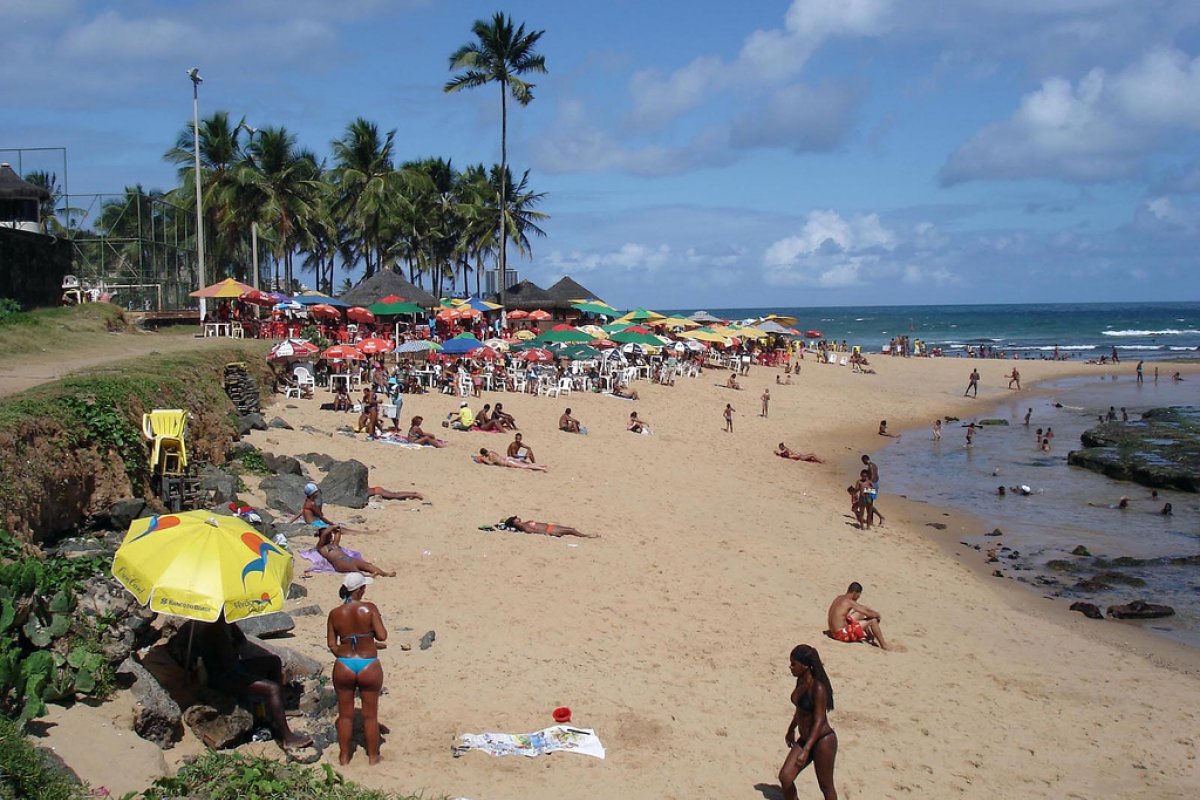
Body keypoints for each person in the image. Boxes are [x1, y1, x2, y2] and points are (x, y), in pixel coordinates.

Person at [198, 614, 313, 750]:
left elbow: (241, 641)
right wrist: (231, 646)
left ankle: (279, 708)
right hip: (223, 676)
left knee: (274, 661)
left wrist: (233, 641)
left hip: (234, 667)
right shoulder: (212, 630)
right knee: (272, 688)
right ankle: (287, 737)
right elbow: (225, 661)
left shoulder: (226, 624)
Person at [327, 573, 388, 765]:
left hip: (344, 664)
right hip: (368, 663)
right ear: (360, 590)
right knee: (370, 717)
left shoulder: (335, 613)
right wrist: (366, 641)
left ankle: (344, 757)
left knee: (345, 716)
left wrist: (346, 652)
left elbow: (332, 644)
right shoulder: (369, 609)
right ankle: (373, 757)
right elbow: (382, 635)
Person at [779, 644, 838, 800]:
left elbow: (819, 721)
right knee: (785, 777)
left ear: (805, 666)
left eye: (794, 664)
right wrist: (791, 729)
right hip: (805, 739)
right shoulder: (800, 681)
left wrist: (806, 750)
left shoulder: (818, 688)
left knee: (826, 785)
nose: (790, 667)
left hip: (822, 741)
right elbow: (800, 710)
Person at [316, 522, 395, 577]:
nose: (330, 536)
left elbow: (337, 535)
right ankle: (367, 576)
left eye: (330, 535)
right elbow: (324, 534)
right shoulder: (321, 547)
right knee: (354, 570)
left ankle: (384, 574)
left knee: (368, 565)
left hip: (348, 559)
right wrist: (331, 527)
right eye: (328, 536)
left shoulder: (334, 545)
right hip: (339, 561)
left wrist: (337, 530)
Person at [826, 582, 890, 649]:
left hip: (833, 631)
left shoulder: (839, 598)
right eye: (858, 595)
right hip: (841, 634)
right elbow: (868, 614)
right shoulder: (849, 602)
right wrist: (877, 615)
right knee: (873, 621)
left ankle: (870, 637)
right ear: (855, 593)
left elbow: (862, 609)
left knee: (860, 614)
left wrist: (872, 612)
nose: (858, 597)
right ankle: (884, 645)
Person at [502, 516, 599, 538]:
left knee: (570, 529)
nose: (518, 517)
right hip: (550, 530)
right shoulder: (524, 527)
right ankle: (585, 536)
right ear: (514, 522)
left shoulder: (524, 524)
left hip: (550, 527)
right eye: (515, 518)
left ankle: (584, 535)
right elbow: (536, 531)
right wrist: (550, 533)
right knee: (571, 530)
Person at [474, 447, 548, 471]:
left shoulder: (490, 456)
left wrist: (483, 459)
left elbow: (491, 463)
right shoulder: (492, 452)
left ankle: (542, 468)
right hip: (507, 459)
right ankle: (541, 466)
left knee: (524, 466)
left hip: (507, 462)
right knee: (525, 464)